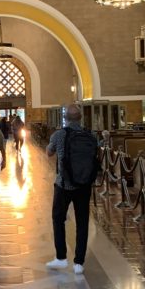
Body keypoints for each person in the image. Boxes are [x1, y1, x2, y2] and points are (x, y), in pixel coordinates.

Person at [45, 104, 98, 275]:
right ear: (80, 118)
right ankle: (79, 263)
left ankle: (61, 258)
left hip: (64, 184)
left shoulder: (59, 134)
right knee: (82, 222)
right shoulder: (90, 135)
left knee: (58, 218)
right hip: (84, 185)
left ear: (65, 118)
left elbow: (49, 153)